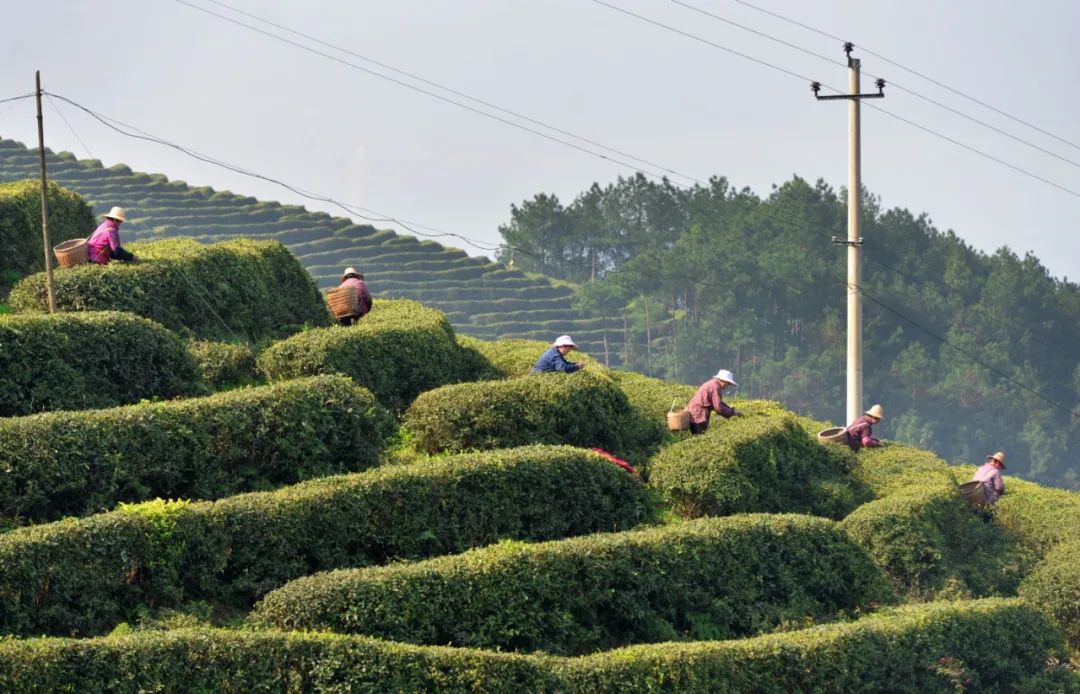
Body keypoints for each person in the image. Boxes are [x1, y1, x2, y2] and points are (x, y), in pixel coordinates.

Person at [687, 369, 739, 435]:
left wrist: (732, 411)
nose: (727, 386)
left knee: (699, 434)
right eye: (727, 383)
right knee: (699, 435)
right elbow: (718, 407)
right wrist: (732, 414)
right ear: (721, 380)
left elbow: (718, 403)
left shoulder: (713, 384)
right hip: (698, 415)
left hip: (697, 413)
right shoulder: (715, 386)